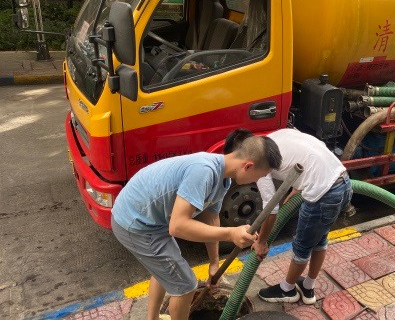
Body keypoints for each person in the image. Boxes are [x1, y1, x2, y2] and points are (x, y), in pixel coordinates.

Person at [111, 135, 282, 320]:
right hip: (135, 223)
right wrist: (231, 233)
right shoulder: (204, 171)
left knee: (166, 270)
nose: (257, 181)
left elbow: (211, 218)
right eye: (260, 176)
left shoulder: (222, 177)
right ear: (248, 166)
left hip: (150, 219)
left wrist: (214, 262)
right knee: (185, 286)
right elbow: (178, 226)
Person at [226, 128, 352, 305]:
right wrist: (298, 186)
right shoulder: (279, 136)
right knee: (319, 239)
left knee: (302, 246)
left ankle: (288, 290)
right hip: (343, 181)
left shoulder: (258, 161)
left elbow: (271, 208)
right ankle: (308, 287)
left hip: (323, 194)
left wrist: (262, 242)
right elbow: (313, 150)